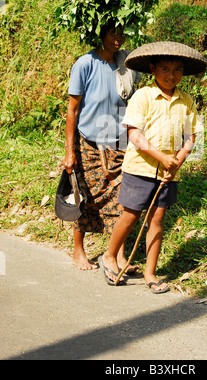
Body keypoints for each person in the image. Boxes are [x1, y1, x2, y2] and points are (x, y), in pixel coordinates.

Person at [101, 41, 207, 292]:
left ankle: (151, 273)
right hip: (140, 168)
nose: (171, 75)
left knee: (157, 220)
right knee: (130, 215)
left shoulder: (187, 100)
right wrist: (162, 157)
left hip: (169, 173)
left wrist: (178, 160)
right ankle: (110, 255)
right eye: (165, 69)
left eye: (177, 70)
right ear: (152, 69)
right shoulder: (143, 96)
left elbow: (193, 137)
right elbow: (135, 135)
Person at [63, 20, 141, 270]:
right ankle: (78, 251)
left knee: (121, 199)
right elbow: (73, 110)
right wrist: (69, 151)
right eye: (112, 33)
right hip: (88, 141)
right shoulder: (86, 64)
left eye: (122, 33)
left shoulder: (126, 65)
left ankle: (117, 254)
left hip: (119, 141)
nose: (118, 38)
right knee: (83, 198)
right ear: (101, 34)